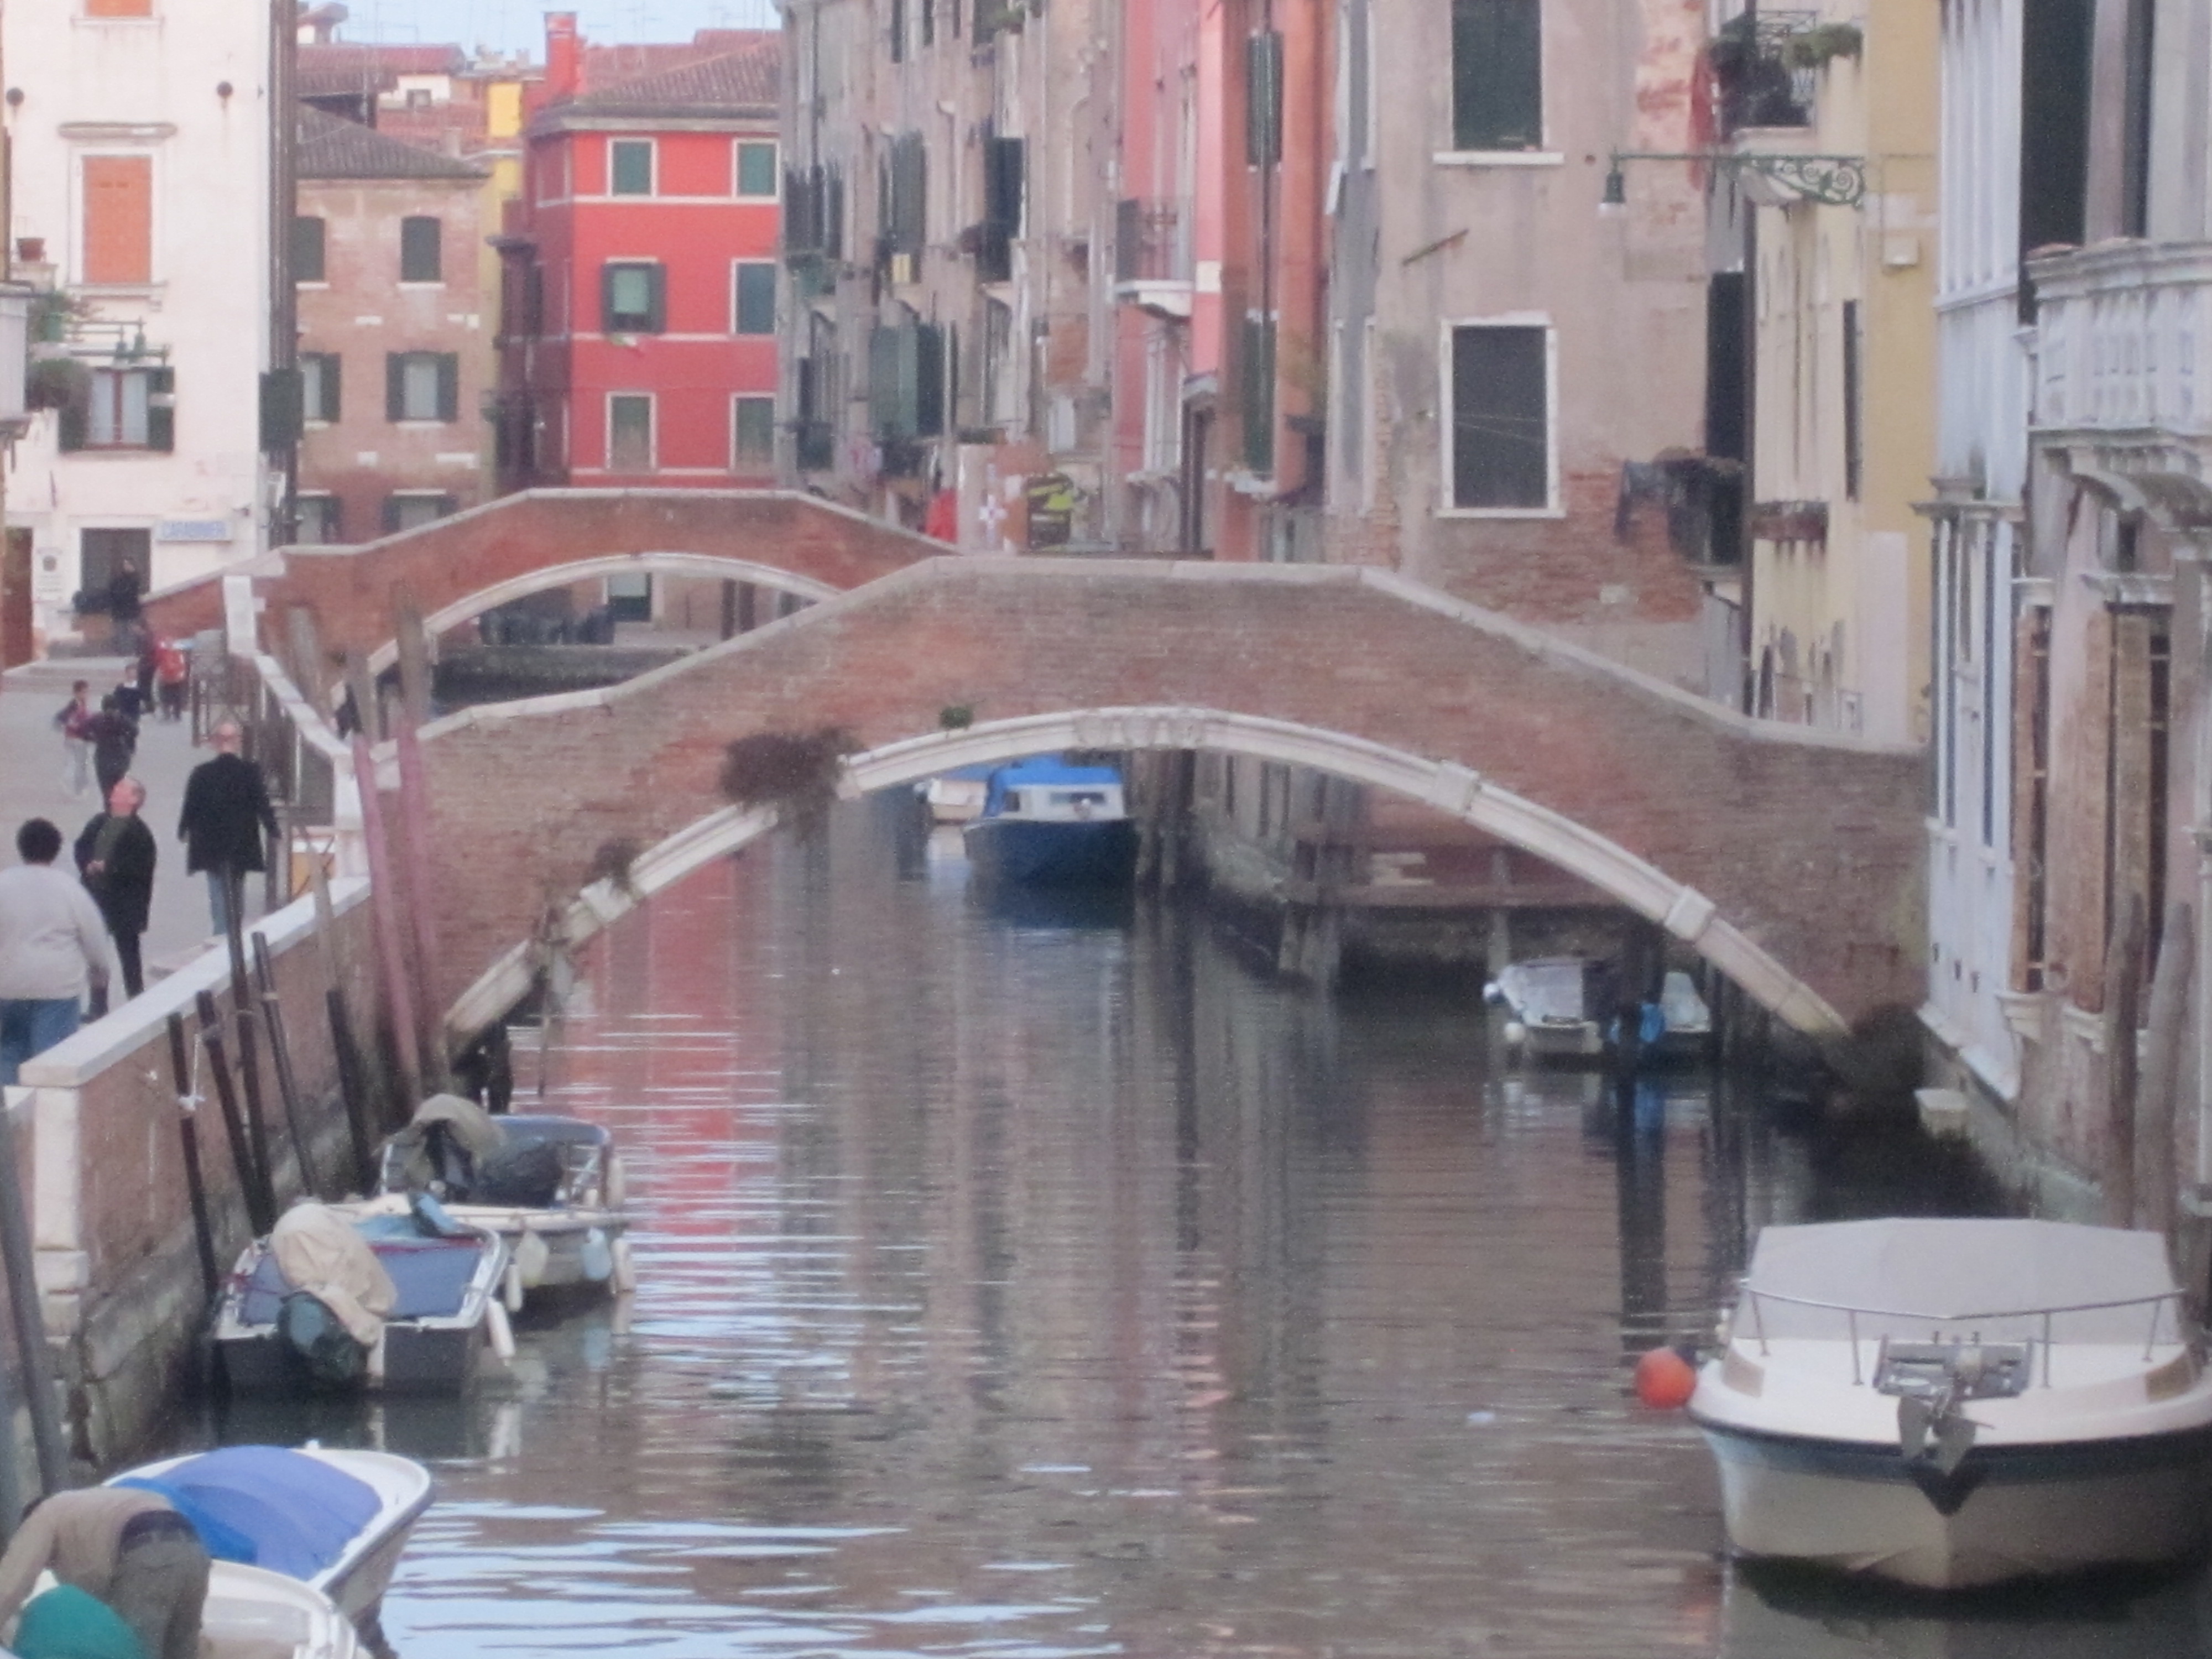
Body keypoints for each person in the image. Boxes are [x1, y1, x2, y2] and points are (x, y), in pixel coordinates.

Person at [0, 1487, 210, 1659]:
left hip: (147, 1553)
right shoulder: (87, 1511)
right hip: (193, 1549)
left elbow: (11, 1582)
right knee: (181, 1649)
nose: (49, 1565)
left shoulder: (45, 1514)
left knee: (132, 1648)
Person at [0, 819, 112, 1087]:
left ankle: (9, 1121)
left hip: (7, 986)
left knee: (7, 1053)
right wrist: (99, 975)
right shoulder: (69, 889)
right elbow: (95, 938)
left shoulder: (4, 884)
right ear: (57, 850)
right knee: (51, 1062)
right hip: (56, 990)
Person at [176, 720, 276, 938]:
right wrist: (273, 829)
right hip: (240, 842)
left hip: (210, 842)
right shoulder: (250, 772)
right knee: (237, 889)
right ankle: (232, 934)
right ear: (238, 743)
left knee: (217, 891)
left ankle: (221, 936)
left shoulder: (201, 773)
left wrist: (183, 830)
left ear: (214, 743)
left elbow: (191, 806)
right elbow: (262, 804)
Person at [75, 778, 156, 1000]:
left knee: (129, 952)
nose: (115, 789)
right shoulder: (99, 822)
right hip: (97, 897)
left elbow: (139, 866)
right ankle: (97, 1003)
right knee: (97, 955)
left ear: (135, 799)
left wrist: (109, 867)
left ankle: (136, 997)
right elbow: (81, 846)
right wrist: (87, 864)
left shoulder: (140, 832)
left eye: (122, 788)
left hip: (126, 903)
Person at [82, 695, 138, 804]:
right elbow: (135, 731)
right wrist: (126, 738)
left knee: (106, 791)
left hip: (103, 758)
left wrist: (94, 739)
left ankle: (109, 812)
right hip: (120, 756)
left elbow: (83, 731)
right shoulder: (122, 718)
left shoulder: (96, 718)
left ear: (103, 706)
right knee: (118, 787)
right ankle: (119, 809)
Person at [51, 681, 92, 798]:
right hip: (76, 739)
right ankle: (75, 788)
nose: (87, 694)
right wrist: (80, 726)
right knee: (79, 765)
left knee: (75, 764)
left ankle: (75, 787)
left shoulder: (81, 704)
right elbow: (70, 722)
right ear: (77, 693)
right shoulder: (74, 707)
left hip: (75, 739)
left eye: (87, 692)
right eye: (84, 692)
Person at [105, 557, 142, 653]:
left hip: (130, 611)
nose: (127, 567)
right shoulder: (118, 580)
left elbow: (132, 595)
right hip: (120, 611)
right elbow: (114, 594)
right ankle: (123, 652)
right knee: (121, 633)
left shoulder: (135, 579)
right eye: (125, 564)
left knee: (130, 634)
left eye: (129, 564)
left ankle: (129, 652)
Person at [154, 638, 189, 722]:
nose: (169, 644)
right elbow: (159, 664)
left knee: (177, 697)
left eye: (170, 642)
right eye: (167, 642)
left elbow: (182, 664)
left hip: (176, 678)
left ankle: (177, 714)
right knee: (165, 697)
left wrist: (181, 675)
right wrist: (160, 675)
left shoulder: (178, 653)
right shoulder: (162, 653)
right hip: (165, 678)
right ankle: (167, 713)